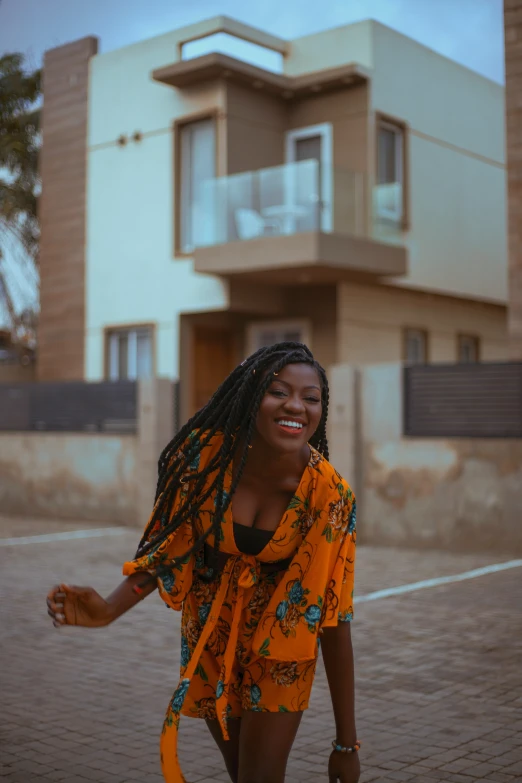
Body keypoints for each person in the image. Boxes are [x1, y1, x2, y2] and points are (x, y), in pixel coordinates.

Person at [47, 342, 360, 783]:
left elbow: (333, 613)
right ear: (252, 395)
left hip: (281, 654)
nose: (296, 406)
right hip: (211, 640)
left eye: (311, 398)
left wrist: (346, 743)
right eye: (279, 391)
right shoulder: (204, 458)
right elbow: (169, 550)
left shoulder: (329, 496)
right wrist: (109, 609)